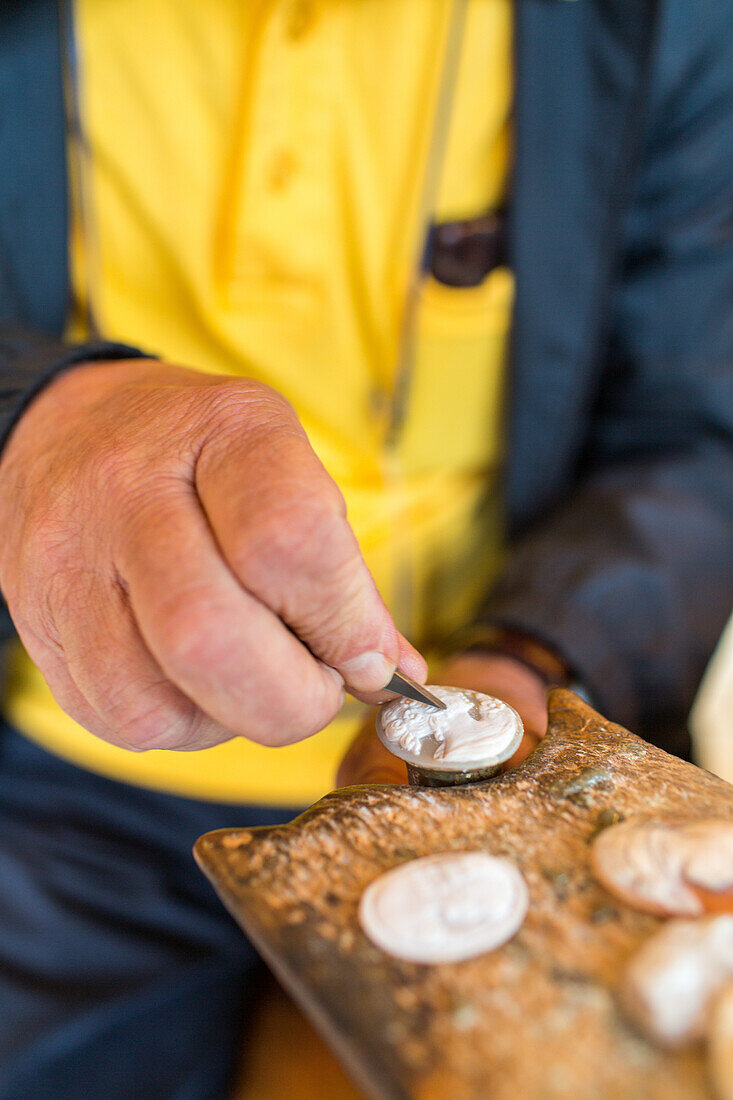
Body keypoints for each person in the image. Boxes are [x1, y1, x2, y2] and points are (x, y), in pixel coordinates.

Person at [0, 0, 731, 1096]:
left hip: (509, 755)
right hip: (64, 769)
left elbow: (694, 430)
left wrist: (532, 655)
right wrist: (27, 418)